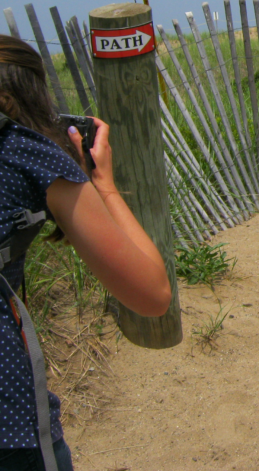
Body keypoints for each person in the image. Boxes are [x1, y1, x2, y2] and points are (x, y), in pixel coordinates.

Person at [0, 34, 172, 470]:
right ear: (20, 98)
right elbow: (151, 293)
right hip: (9, 422)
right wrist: (103, 185)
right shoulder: (26, 153)